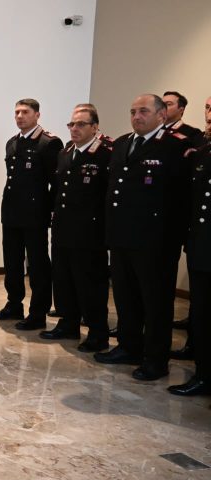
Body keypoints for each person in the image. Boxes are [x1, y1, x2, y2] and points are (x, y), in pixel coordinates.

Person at [95, 94, 189, 381]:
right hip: (121, 236)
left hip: (155, 241)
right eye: (133, 111)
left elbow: (181, 198)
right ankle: (128, 347)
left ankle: (155, 359)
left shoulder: (175, 146)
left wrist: (172, 238)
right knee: (125, 297)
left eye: (144, 111)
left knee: (155, 303)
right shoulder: (123, 143)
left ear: (161, 115)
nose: (136, 116)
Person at [40, 105, 112, 351]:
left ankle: (97, 332)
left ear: (95, 127)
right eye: (72, 124)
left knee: (90, 284)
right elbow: (58, 189)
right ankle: (68, 323)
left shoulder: (105, 154)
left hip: (89, 232)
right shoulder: (65, 152)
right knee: (63, 280)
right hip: (63, 228)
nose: (74, 128)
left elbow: (107, 195)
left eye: (81, 124)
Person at [0, 99, 63, 330]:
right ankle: (14, 304)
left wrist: (51, 211)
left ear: (37, 115)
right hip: (11, 211)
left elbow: (56, 183)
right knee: (12, 261)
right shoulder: (12, 143)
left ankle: (38, 312)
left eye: (25, 112)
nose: (20, 116)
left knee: (37, 265)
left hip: (34, 213)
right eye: (17, 112)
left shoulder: (48, 143)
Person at [168, 95, 211, 397]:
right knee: (202, 311)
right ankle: (203, 372)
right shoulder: (202, 152)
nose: (210, 114)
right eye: (208, 107)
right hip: (202, 245)